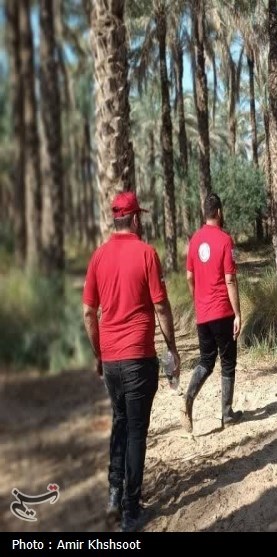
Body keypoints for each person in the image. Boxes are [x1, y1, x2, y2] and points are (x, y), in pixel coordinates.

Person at [82, 191, 180, 532]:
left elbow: (88, 312)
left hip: (111, 361)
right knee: (137, 431)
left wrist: (99, 353)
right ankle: (130, 509)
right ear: (135, 219)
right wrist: (172, 348)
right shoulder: (147, 254)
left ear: (115, 219)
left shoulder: (98, 258)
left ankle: (113, 492)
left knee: (120, 421)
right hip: (138, 357)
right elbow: (162, 307)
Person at [182, 193, 243, 433]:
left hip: (203, 313)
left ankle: (189, 397)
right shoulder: (226, 240)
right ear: (218, 212)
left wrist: (196, 297)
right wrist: (237, 313)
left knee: (206, 361)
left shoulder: (194, 240)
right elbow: (230, 279)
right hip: (222, 312)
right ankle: (227, 414)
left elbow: (189, 275)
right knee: (228, 362)